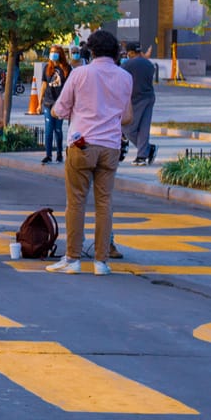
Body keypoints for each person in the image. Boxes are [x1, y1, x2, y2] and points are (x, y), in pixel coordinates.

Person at [46, 30, 134, 275]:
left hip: (82, 144)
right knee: (104, 203)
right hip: (111, 146)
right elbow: (127, 116)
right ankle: (101, 262)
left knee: (76, 202)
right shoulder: (125, 77)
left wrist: (56, 112)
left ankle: (73, 258)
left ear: (90, 51)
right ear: (116, 51)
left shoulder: (80, 74)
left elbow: (60, 110)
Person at [121, 42, 157, 164]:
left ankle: (147, 150)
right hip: (149, 97)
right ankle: (142, 156)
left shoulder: (126, 65)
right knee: (144, 128)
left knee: (128, 129)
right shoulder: (149, 64)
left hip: (135, 99)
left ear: (130, 52)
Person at [38, 47, 72, 164]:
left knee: (58, 129)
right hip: (48, 102)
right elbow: (43, 85)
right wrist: (39, 103)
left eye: (55, 52)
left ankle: (59, 154)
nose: (53, 55)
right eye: (51, 52)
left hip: (60, 104)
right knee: (48, 130)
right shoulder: (47, 68)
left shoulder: (67, 68)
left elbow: (70, 87)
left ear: (60, 54)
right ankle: (48, 155)